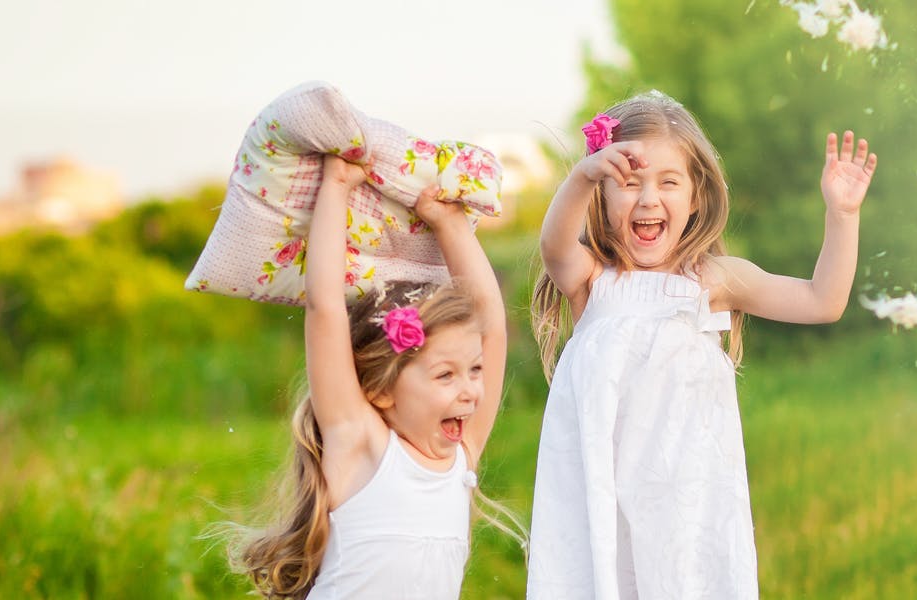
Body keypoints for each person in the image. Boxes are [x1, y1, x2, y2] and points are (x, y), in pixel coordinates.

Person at [527, 90, 878, 598]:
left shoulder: (713, 280)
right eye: (628, 183)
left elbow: (822, 301)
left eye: (668, 182)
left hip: (688, 509)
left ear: (695, 198)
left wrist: (842, 217)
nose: (648, 199)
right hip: (602, 500)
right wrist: (582, 176)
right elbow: (553, 245)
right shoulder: (592, 281)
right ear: (602, 196)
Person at [228, 155, 518, 599]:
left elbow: (492, 328)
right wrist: (337, 186)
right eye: (445, 375)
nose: (470, 392)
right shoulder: (362, 445)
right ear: (381, 390)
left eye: (474, 371)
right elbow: (325, 309)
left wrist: (451, 226)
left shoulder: (462, 453)